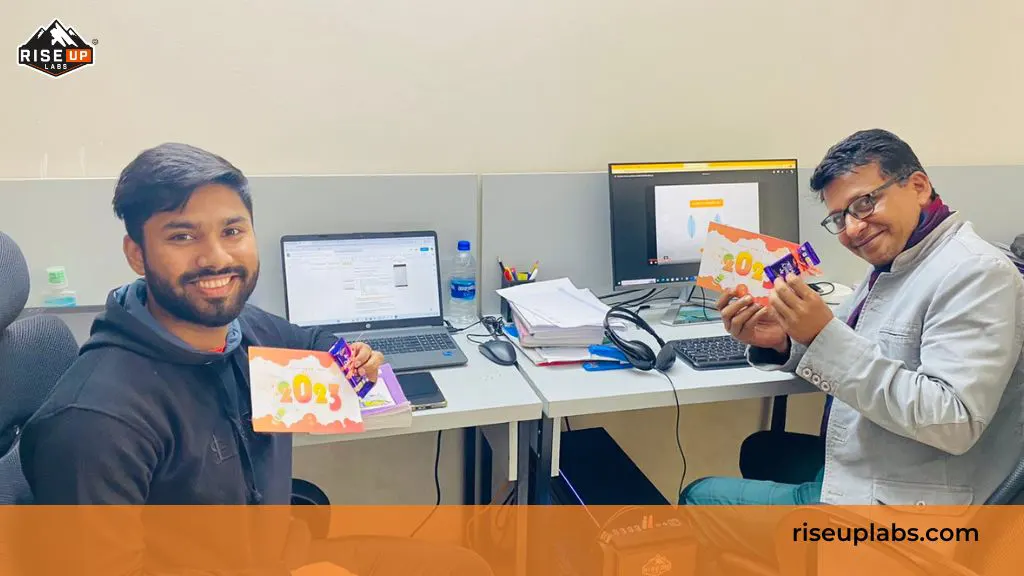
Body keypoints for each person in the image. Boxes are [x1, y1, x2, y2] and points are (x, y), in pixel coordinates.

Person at [19, 143, 492, 576]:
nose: (215, 258)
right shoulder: (96, 422)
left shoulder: (245, 330)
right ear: (137, 255)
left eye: (232, 231)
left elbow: (312, 339)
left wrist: (356, 357)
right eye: (182, 237)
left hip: (283, 555)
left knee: (465, 566)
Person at [679, 129, 1024, 564]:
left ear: (918, 186)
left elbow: (952, 421)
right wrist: (783, 341)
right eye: (839, 218)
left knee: (700, 496)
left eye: (864, 203)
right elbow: (853, 352)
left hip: (918, 508)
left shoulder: (976, 273)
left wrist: (821, 335)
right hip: (891, 459)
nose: (853, 228)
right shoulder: (901, 260)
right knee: (760, 448)